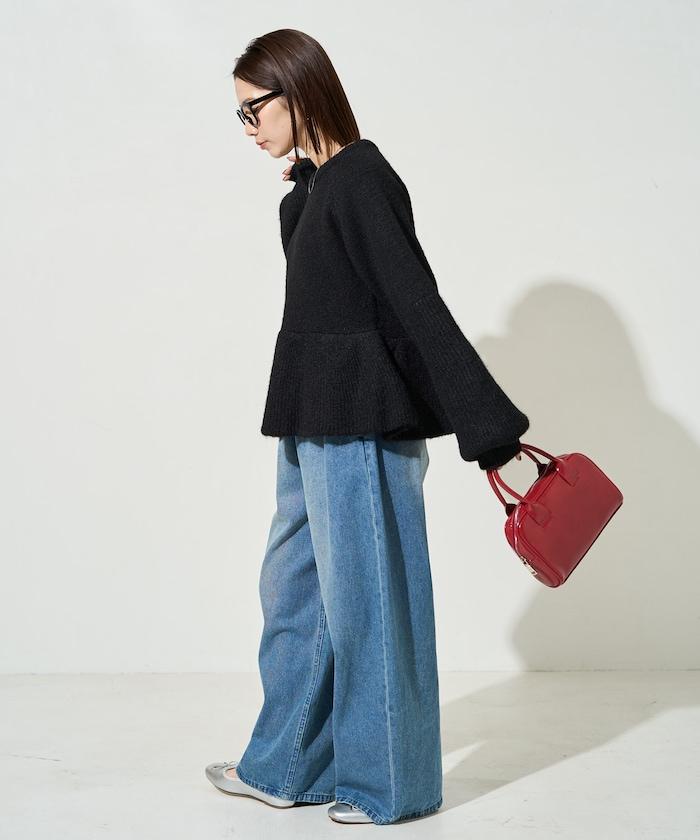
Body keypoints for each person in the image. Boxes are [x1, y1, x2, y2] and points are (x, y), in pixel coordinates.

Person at [205, 28, 528, 826]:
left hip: (361, 422)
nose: (247, 129)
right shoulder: (313, 193)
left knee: (368, 605)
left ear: (299, 91)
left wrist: (486, 426)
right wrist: (300, 196)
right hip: (308, 420)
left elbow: (414, 305)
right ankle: (287, 766)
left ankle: (389, 786)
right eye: (239, 115)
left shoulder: (362, 179)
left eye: (253, 110)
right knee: (294, 594)